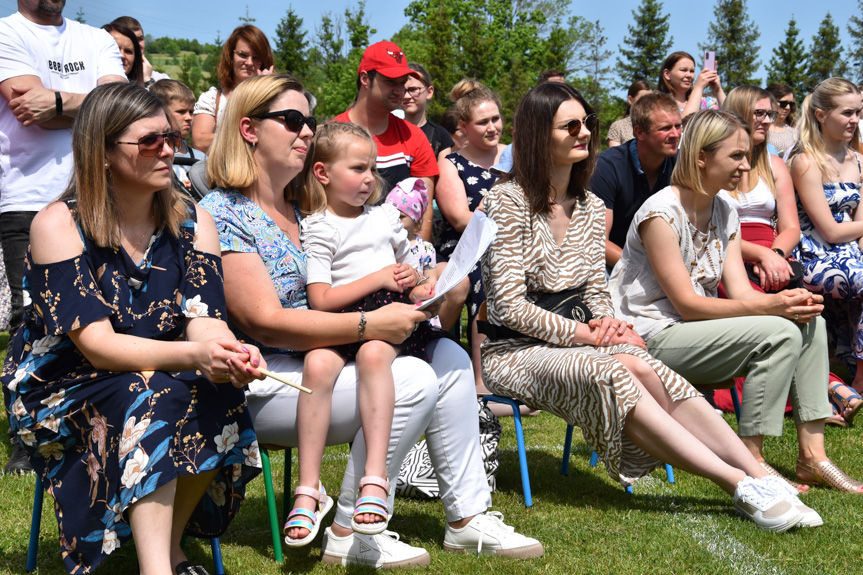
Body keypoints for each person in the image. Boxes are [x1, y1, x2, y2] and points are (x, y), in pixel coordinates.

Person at [198, 73, 543, 568]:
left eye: (309, 123)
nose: (305, 132)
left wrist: (424, 283)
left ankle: (467, 518)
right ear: (249, 129)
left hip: (329, 361)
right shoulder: (223, 211)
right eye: (292, 121)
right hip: (267, 379)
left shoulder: (309, 205)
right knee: (414, 376)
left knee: (445, 354)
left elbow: (372, 264)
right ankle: (351, 531)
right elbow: (266, 322)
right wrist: (371, 326)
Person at [482, 83, 817, 532]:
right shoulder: (505, 203)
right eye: (572, 125)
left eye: (589, 124)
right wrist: (586, 335)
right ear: (539, 134)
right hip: (515, 353)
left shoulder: (588, 207)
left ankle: (762, 475)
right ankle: (737, 483)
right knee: (612, 369)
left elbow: (596, 291)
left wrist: (611, 325)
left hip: (583, 341)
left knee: (643, 363)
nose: (585, 133)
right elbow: (506, 308)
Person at [1, 82, 265, 575]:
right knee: (154, 392)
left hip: (154, 371)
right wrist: (194, 357)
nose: (169, 150)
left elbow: (204, 321)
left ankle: (166, 549)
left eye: (171, 137)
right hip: (60, 383)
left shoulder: (194, 223)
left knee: (219, 391)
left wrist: (228, 353)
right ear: (101, 152)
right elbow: (97, 347)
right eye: (149, 142)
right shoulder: (58, 224)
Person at [611, 108, 862, 494]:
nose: (746, 167)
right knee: (779, 332)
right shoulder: (659, 212)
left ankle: (813, 457)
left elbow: (741, 291)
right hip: (649, 339)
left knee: (810, 322)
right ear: (701, 158)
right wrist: (774, 308)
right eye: (736, 156)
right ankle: (752, 460)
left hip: (693, 332)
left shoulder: (723, 208)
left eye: (747, 156)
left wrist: (789, 302)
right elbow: (687, 304)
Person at [286, 121, 439, 546]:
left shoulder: (387, 217)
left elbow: (412, 273)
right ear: (323, 173)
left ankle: (375, 476)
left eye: (372, 168)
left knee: (374, 355)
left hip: (385, 318)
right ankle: (309, 488)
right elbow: (320, 299)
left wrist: (413, 276)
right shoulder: (319, 226)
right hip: (342, 319)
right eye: (357, 168)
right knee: (317, 362)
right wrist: (377, 277)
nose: (370, 178)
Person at [0, 0, 126, 475]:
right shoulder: (6, 33)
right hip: (27, 196)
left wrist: (58, 102)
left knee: (101, 311)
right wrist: (87, 105)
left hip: (100, 192)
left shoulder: (95, 39)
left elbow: (116, 109)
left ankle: (94, 418)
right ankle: (27, 431)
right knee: (31, 315)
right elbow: (27, 109)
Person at [789, 78, 863, 421]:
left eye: (858, 112)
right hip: (816, 256)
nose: (854, 120)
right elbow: (830, 231)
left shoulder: (858, 161)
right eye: (847, 112)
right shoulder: (806, 162)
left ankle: (853, 369)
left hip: (851, 255)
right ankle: (859, 379)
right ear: (820, 114)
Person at [435, 79, 506, 394]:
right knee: (485, 272)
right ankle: (483, 379)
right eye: (483, 122)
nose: (493, 127)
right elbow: (461, 218)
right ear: (463, 125)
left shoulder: (516, 156)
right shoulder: (452, 163)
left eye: (496, 119)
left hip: (514, 242)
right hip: (466, 248)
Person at [333, 41, 439, 242]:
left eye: (403, 82)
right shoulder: (332, 135)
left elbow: (423, 212)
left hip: (402, 258)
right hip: (346, 254)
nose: (401, 90)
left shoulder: (414, 136)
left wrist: (418, 260)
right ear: (365, 78)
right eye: (391, 81)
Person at [718, 86, 799, 294]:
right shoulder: (714, 165)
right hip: (726, 252)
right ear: (737, 114)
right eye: (759, 113)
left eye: (769, 114)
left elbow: (791, 227)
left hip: (774, 252)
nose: (766, 121)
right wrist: (762, 256)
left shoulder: (775, 165)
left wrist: (776, 255)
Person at [590, 93, 682, 268]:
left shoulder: (681, 165)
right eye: (665, 128)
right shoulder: (608, 167)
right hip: (617, 262)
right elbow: (599, 242)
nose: (675, 134)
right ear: (639, 132)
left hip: (666, 261)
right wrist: (645, 270)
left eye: (678, 126)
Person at [192, 24, 274, 154]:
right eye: (243, 55)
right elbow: (200, 141)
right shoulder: (211, 99)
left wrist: (267, 90)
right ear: (231, 56)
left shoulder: (273, 99)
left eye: (256, 57)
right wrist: (248, 137)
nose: (249, 62)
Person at [149, 79, 206, 191]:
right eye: (181, 111)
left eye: (191, 112)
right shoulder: (150, 157)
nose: (189, 117)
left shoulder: (201, 158)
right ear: (160, 112)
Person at [402, 62, 454, 162]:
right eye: (402, 90)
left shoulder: (440, 135)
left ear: (429, 92)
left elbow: (444, 175)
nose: (406, 96)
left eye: (413, 90)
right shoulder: (389, 130)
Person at [657, 51, 725, 119]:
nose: (689, 75)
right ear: (667, 74)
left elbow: (732, 118)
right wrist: (698, 88)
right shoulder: (660, 104)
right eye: (683, 70)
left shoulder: (707, 102)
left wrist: (718, 90)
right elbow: (685, 124)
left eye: (692, 71)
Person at [111, 16, 170, 85]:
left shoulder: (160, 80)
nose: (137, 44)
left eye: (140, 39)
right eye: (131, 39)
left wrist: (148, 81)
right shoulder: (102, 77)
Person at [607, 80, 652, 147]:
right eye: (642, 98)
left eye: (650, 99)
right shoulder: (618, 127)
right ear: (630, 99)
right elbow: (614, 155)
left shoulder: (655, 125)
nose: (647, 103)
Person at [767, 83, 798, 158]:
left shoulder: (796, 132)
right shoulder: (759, 128)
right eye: (783, 103)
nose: (787, 107)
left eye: (791, 104)